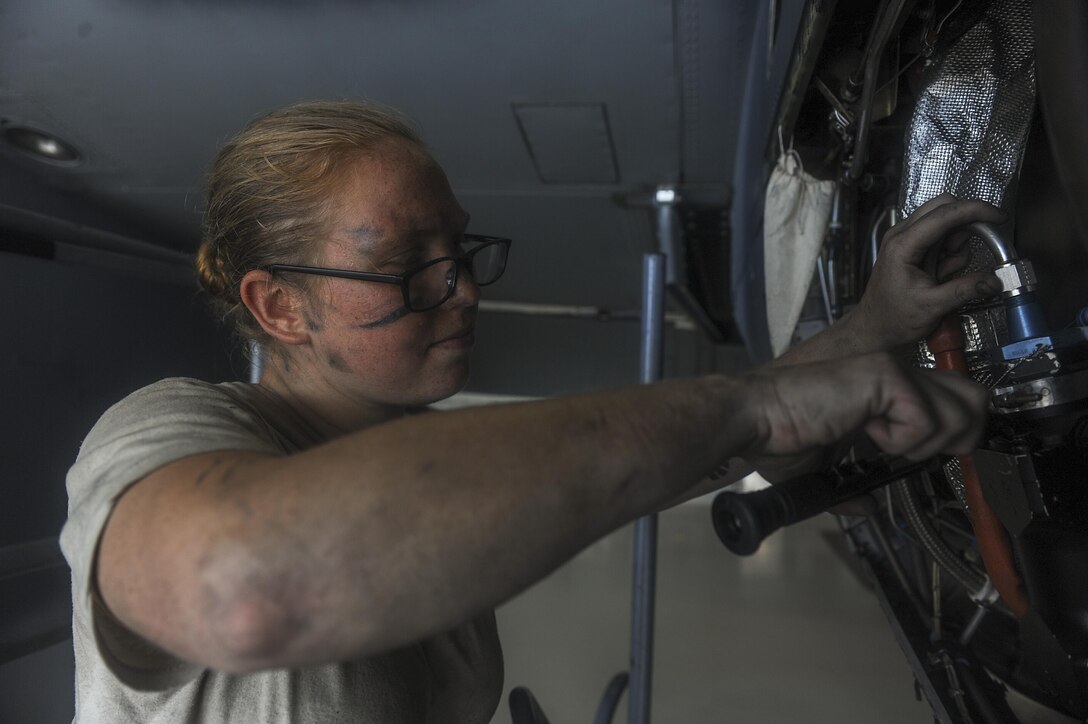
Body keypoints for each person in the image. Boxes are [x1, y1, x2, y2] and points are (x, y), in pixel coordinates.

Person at [60, 99, 1005, 723]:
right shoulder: (163, 429)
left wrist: (871, 329)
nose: (463, 291)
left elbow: (663, 453)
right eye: (408, 267)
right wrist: (755, 406)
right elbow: (241, 584)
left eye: (459, 251)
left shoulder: (426, 472)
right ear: (279, 307)